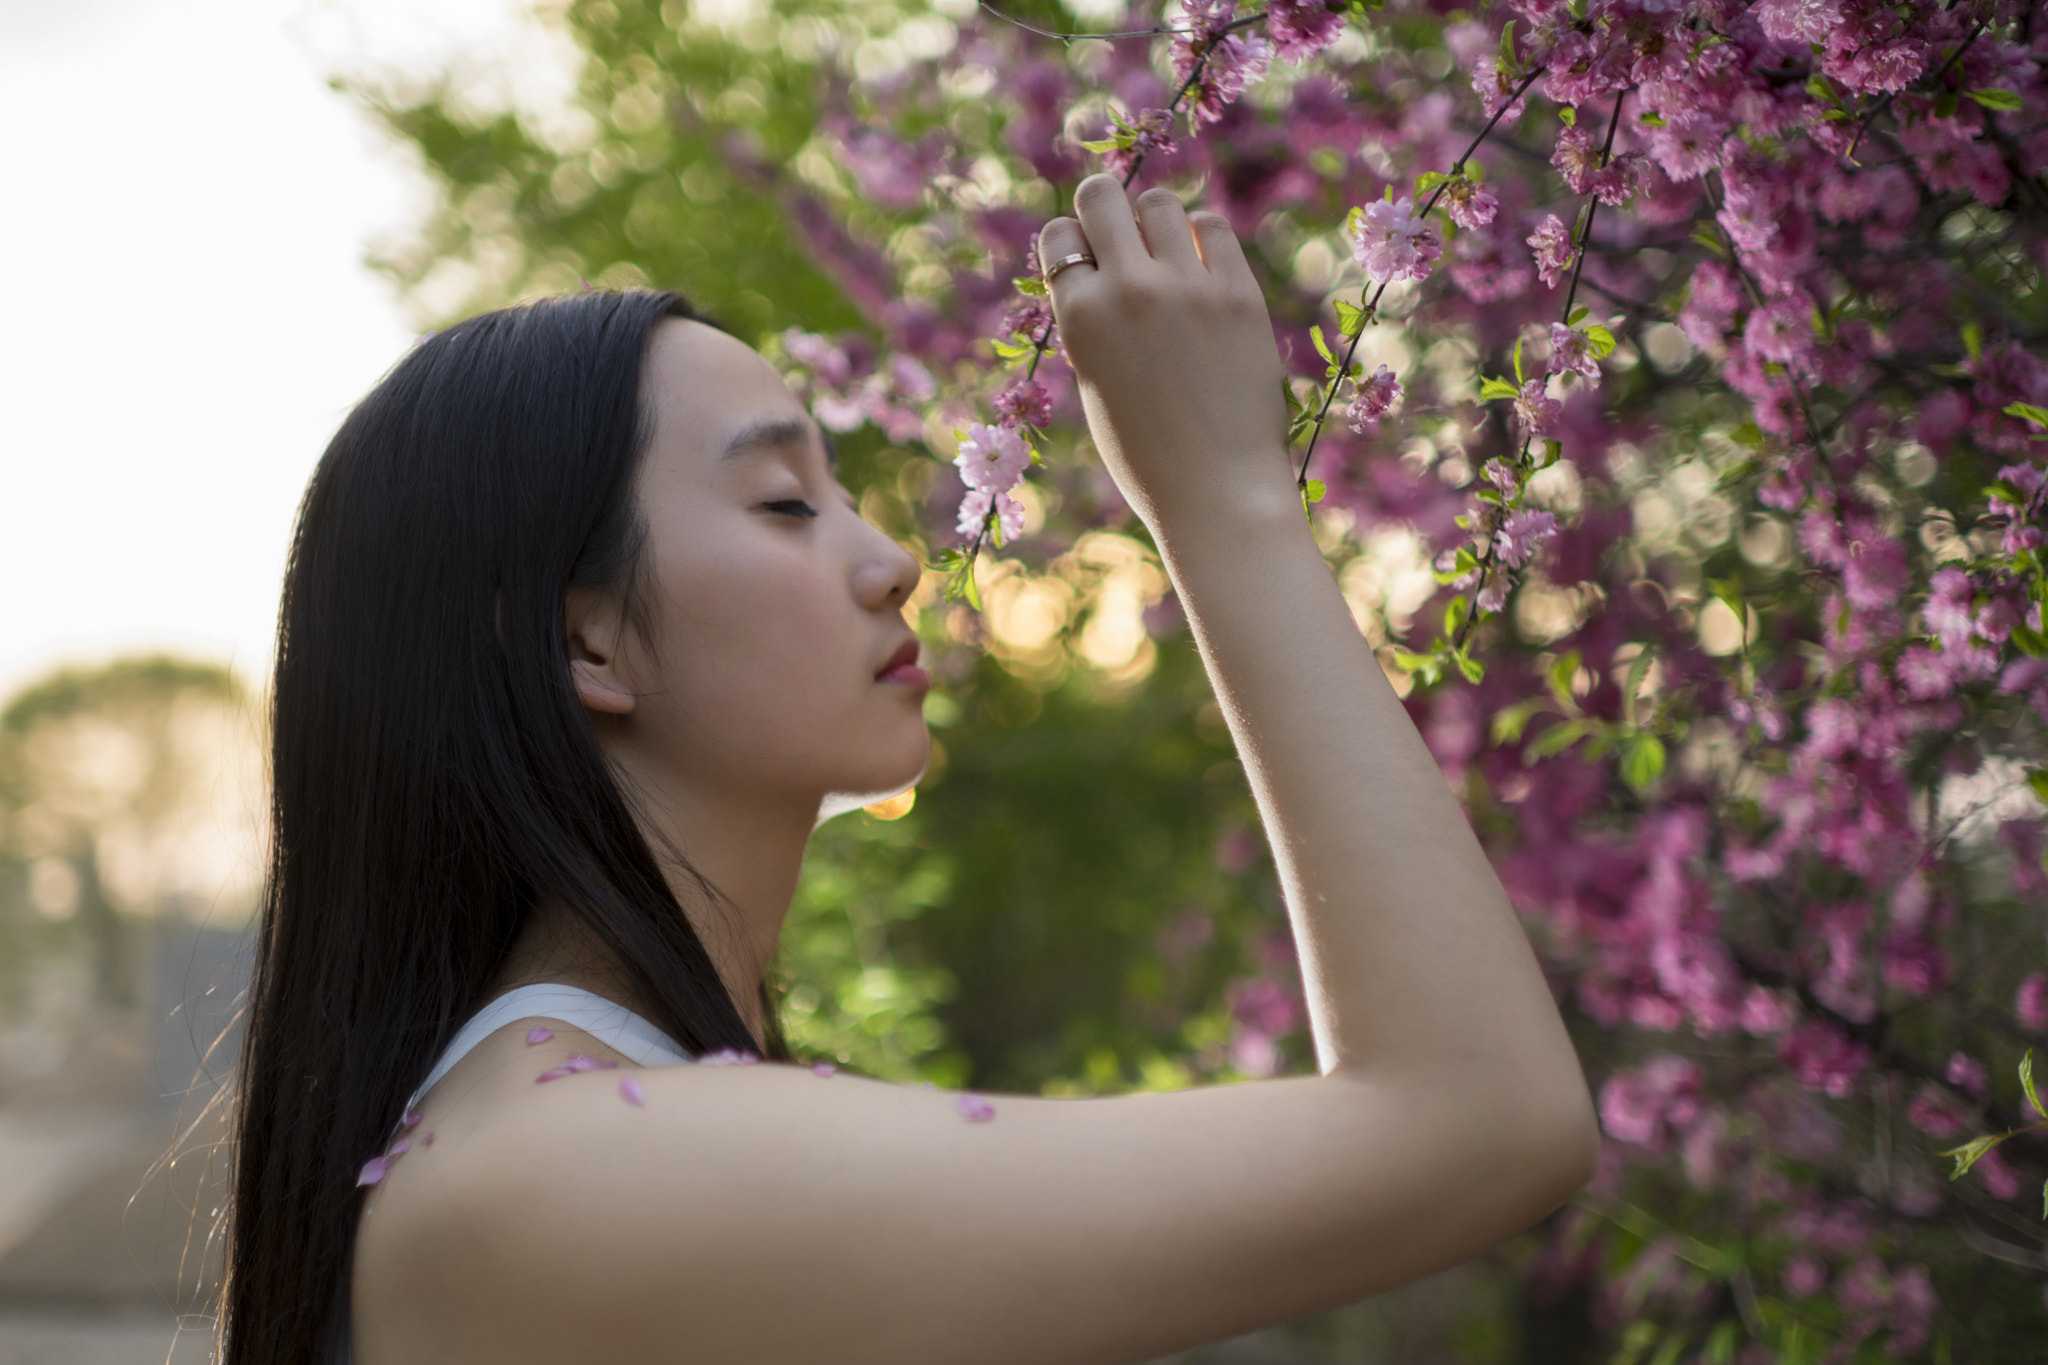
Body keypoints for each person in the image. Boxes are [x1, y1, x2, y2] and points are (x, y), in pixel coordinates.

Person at [226, 174, 1598, 1365]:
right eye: (783, 503)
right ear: (586, 636)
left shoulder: (568, 1132)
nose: (893, 561)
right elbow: (1481, 1120)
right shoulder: (578, 1166)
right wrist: (1225, 499)